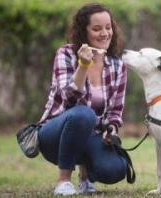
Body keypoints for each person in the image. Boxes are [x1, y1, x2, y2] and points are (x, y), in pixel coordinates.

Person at [37, 3, 127, 196]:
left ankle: (85, 177)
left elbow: (115, 111)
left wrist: (111, 129)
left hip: (90, 135)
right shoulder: (65, 54)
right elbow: (68, 97)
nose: (105, 33)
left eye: (108, 27)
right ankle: (63, 182)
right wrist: (83, 66)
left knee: (116, 169)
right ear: (83, 31)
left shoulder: (117, 64)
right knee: (83, 115)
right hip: (54, 135)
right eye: (97, 29)